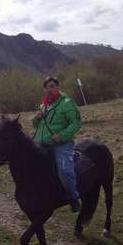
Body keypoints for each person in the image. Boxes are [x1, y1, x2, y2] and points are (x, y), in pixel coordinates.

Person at [32, 76, 82, 212]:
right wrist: (36, 118)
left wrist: (61, 136)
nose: (49, 89)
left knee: (65, 170)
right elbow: (35, 125)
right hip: (42, 143)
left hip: (61, 144)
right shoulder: (44, 105)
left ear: (57, 87)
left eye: (52, 86)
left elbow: (76, 122)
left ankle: (73, 198)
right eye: (47, 87)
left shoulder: (66, 102)